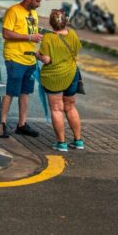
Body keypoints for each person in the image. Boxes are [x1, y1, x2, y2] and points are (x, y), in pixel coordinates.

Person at [36, 9, 85, 152]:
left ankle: (61, 143)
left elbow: (46, 59)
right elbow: (75, 54)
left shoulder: (48, 38)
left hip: (54, 77)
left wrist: (37, 55)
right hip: (71, 74)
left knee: (57, 109)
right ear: (66, 21)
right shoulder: (73, 35)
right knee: (70, 107)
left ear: (51, 23)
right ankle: (78, 140)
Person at [0, 0, 43, 137]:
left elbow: (31, 33)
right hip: (15, 57)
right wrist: (29, 38)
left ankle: (22, 124)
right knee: (11, 90)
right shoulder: (13, 11)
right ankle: (1, 123)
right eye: (37, 1)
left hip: (30, 58)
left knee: (26, 92)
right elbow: (6, 33)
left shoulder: (34, 14)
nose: (39, 4)